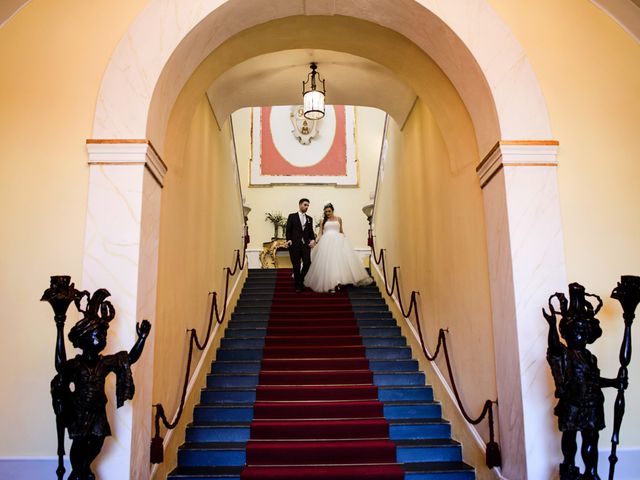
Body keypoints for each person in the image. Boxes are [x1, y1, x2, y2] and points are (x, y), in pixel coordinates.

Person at [304, 203, 373, 292]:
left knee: (339, 262)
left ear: (332, 210)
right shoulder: (323, 221)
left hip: (338, 241)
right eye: (326, 212)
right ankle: (331, 284)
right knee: (329, 263)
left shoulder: (339, 219)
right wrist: (316, 241)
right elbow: (320, 233)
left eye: (329, 211)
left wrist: (345, 241)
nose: (327, 213)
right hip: (326, 242)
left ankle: (339, 281)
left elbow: (341, 231)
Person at [285, 198, 316, 292]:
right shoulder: (292, 216)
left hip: (305, 245)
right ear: (300, 205)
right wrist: (289, 239)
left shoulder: (309, 219)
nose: (307, 207)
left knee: (307, 263)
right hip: (294, 244)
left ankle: (300, 279)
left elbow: (311, 232)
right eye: (305, 205)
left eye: (308, 205)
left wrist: (313, 240)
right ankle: (298, 286)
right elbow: (288, 230)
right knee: (296, 265)